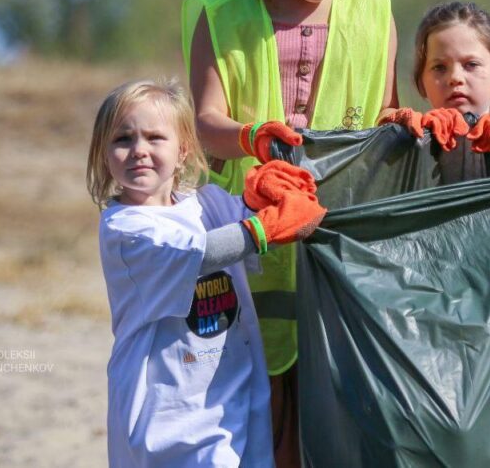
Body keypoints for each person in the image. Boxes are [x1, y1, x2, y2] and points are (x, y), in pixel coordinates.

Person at [182, 0, 399, 467]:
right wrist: (252, 137)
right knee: (254, 402)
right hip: (243, 241)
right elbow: (203, 124)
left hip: (334, 240)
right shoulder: (219, 12)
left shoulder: (377, 10)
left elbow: (383, 119)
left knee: (323, 405)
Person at [86, 78, 325, 467]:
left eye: (154, 138)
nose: (139, 151)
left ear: (182, 151)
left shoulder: (206, 205)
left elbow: (247, 214)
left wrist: (271, 189)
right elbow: (202, 254)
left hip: (231, 393)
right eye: (123, 139)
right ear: (103, 154)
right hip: (168, 405)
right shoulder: (124, 230)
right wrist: (263, 230)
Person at [381, 0, 490, 152]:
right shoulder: (407, 148)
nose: (455, 78)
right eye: (439, 67)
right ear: (421, 83)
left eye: (471, 64)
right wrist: (394, 138)